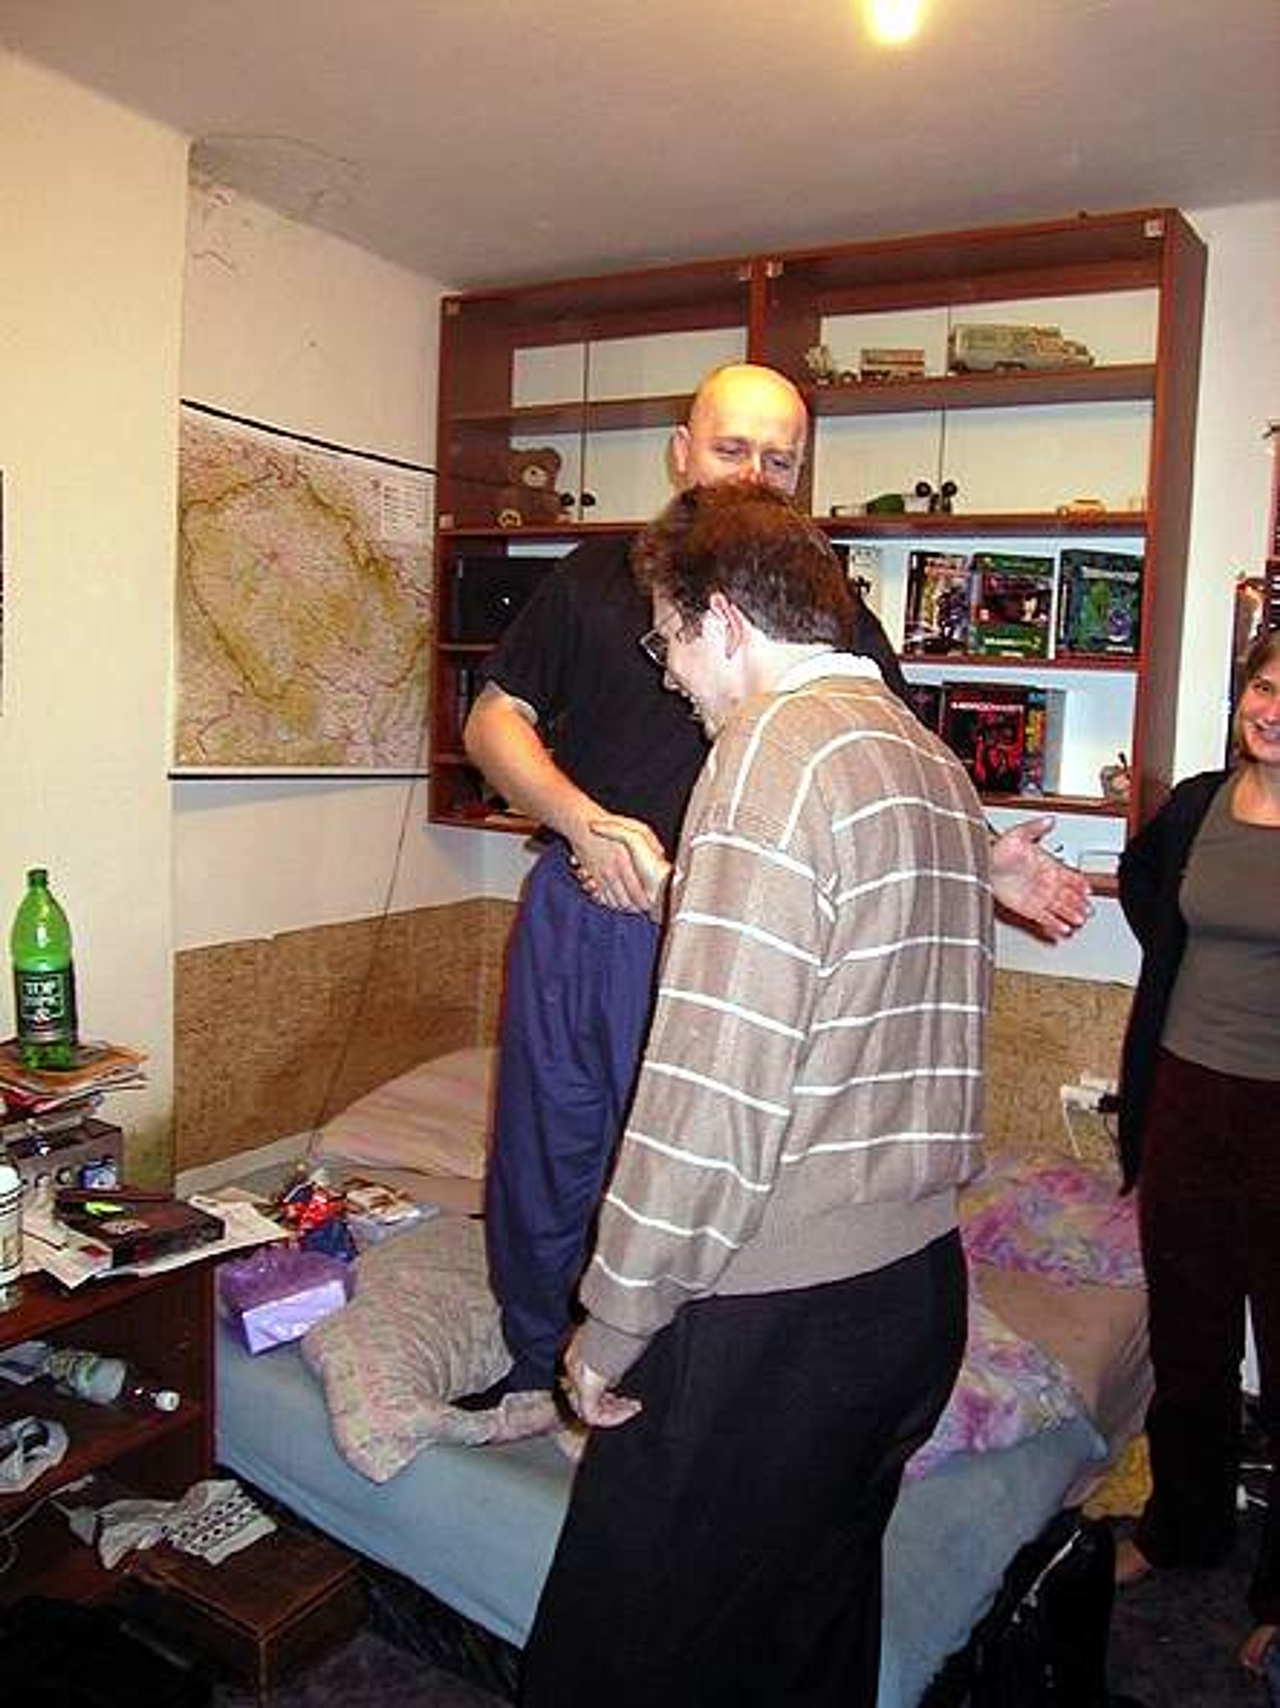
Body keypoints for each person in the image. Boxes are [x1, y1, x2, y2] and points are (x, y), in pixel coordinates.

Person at [464, 362, 1090, 1415]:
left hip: (727, 927)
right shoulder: (594, 575)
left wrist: (985, 856)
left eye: (779, 460)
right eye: (731, 449)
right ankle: (539, 1367)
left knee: (678, 1157)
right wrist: (580, 819)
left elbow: (891, 756)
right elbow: (491, 723)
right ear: (680, 452)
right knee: (543, 1155)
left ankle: (649, 1378)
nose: (753, 474)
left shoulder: (819, 599)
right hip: (582, 913)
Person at [520, 481, 991, 1707]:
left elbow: (708, 1090)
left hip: (774, 1321)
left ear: (720, 618)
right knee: (804, 1638)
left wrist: (612, 1319)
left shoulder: (767, 755)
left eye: (665, 641)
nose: (670, 678)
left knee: (614, 1662)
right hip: (914, 1299)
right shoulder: (928, 759)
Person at [1112, 630, 1280, 1680]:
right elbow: (1147, 894)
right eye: (1264, 685)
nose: (1272, 708)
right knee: (1189, 1334)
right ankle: (1183, 1526)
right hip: (1183, 1094)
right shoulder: (1197, 807)